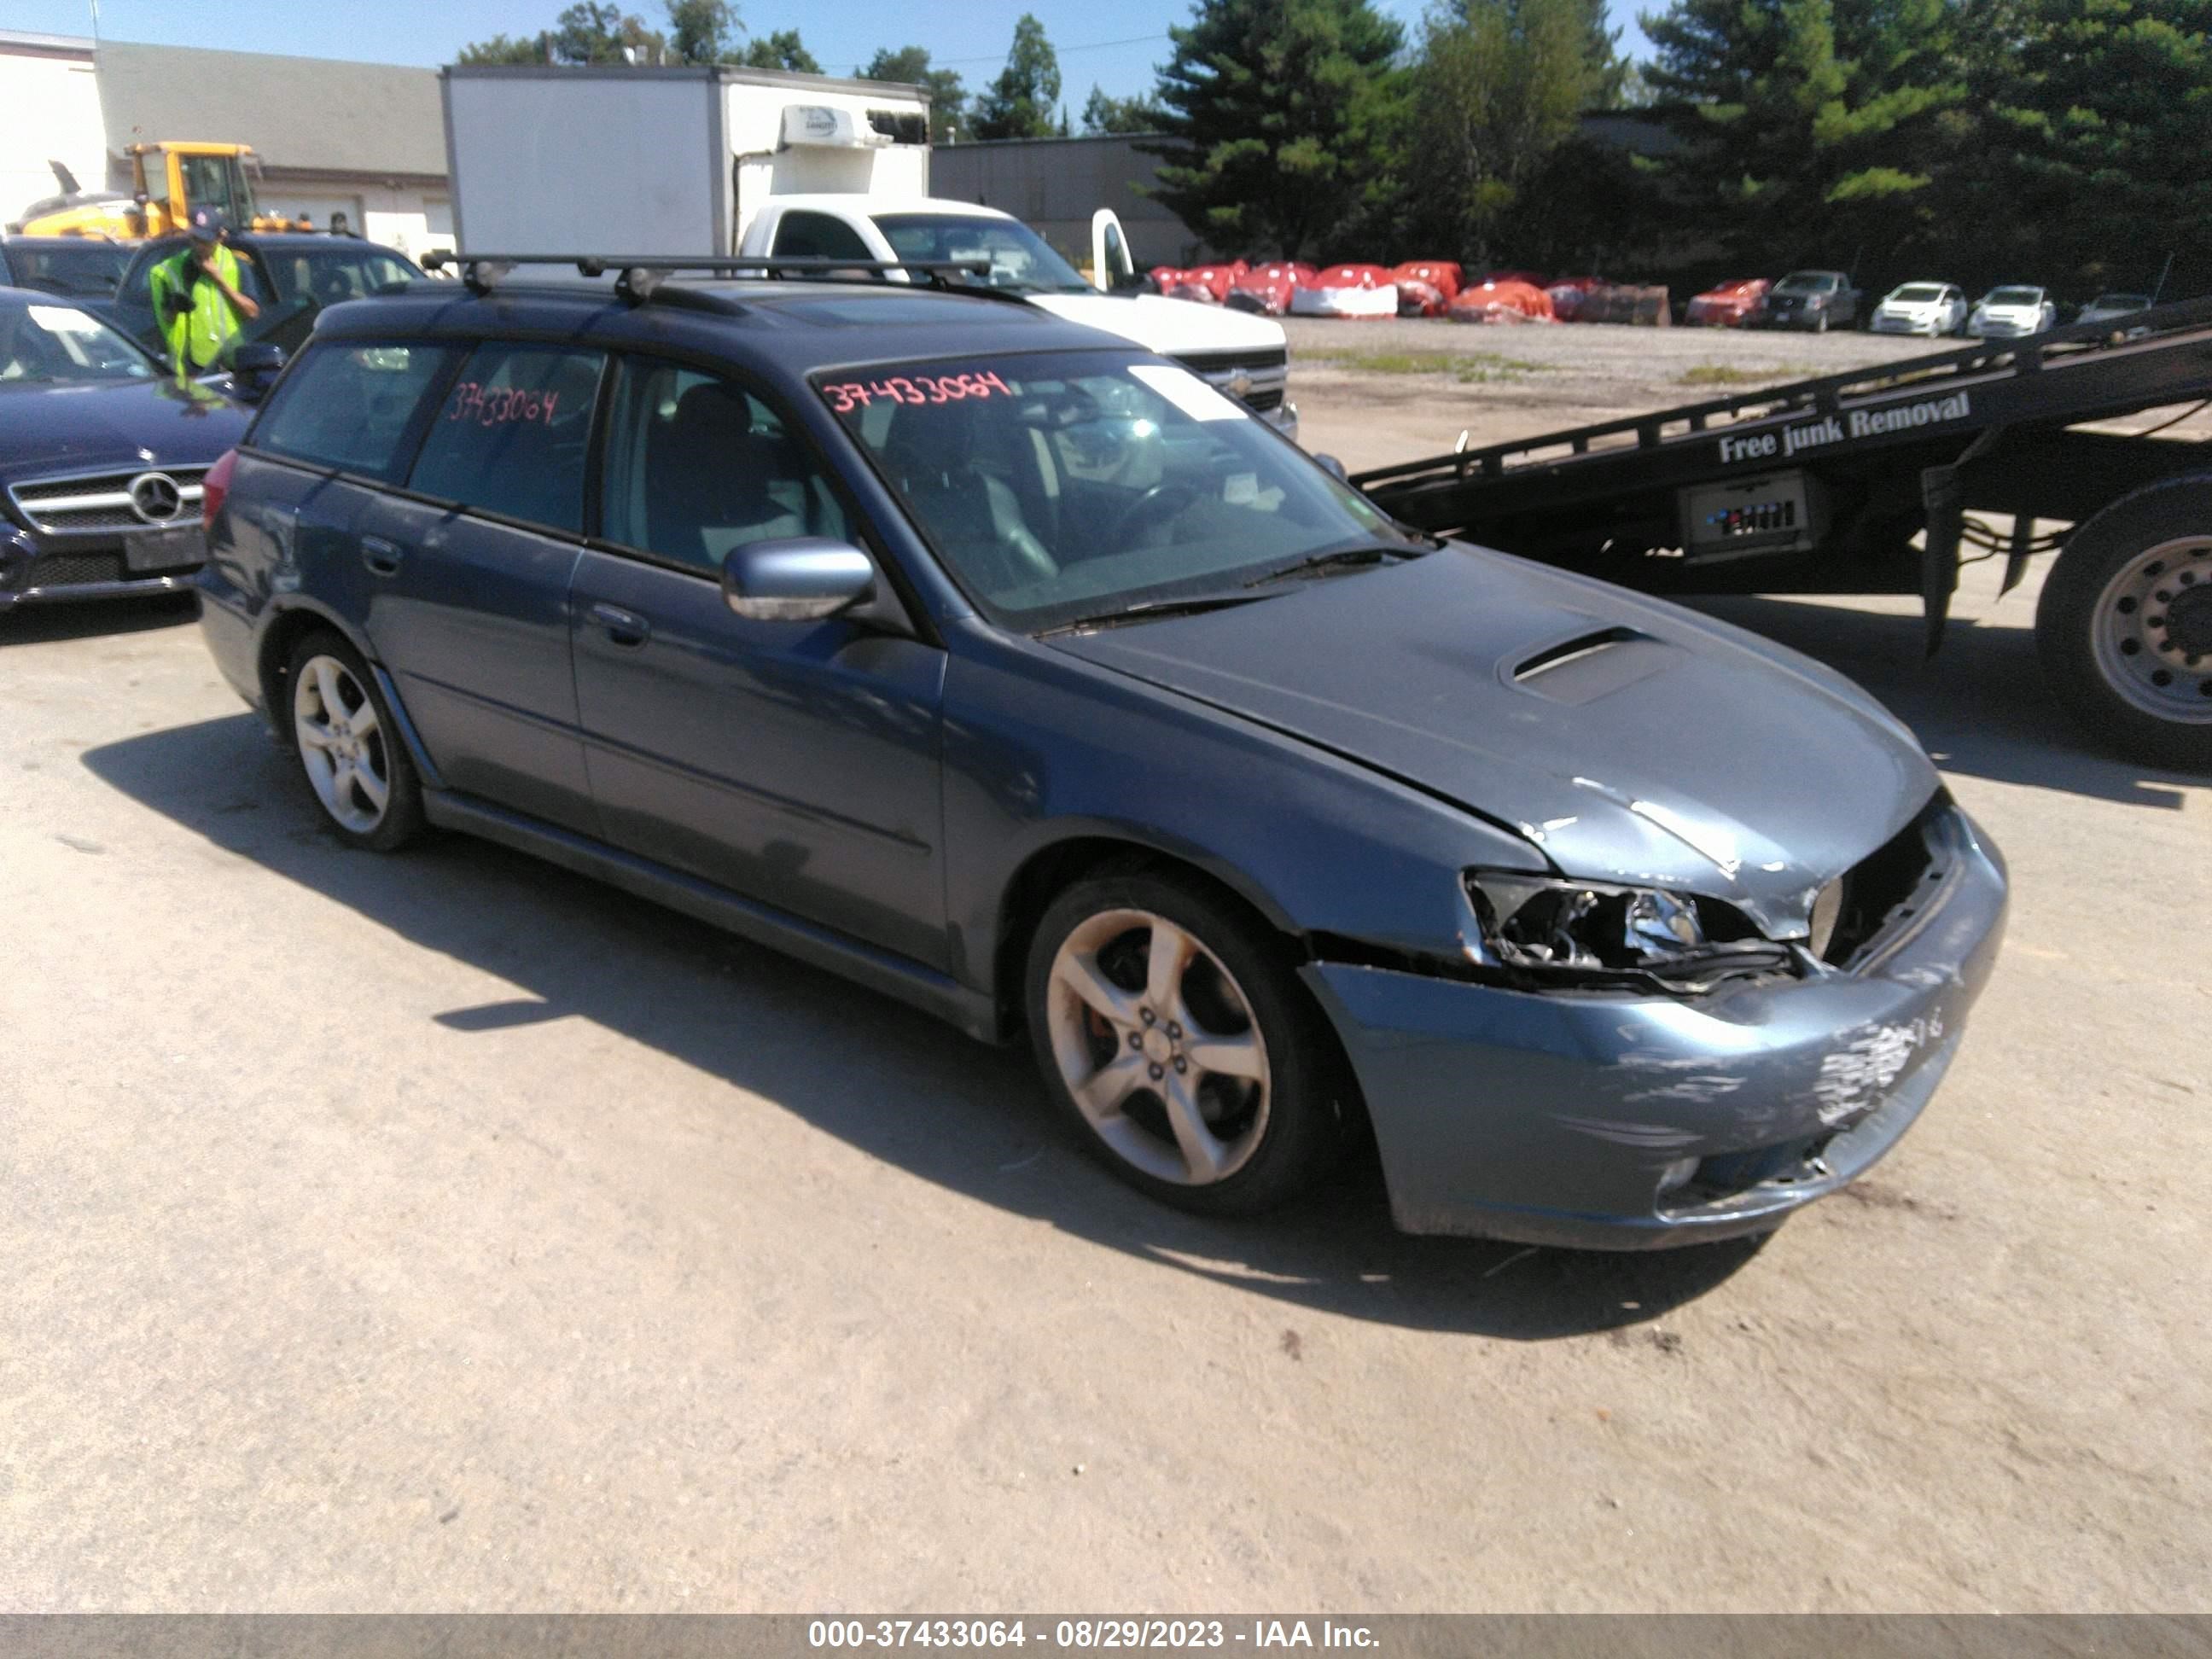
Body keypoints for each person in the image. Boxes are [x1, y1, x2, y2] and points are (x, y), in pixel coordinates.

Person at [148, 208, 260, 381]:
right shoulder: (173, 269)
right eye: (194, 239)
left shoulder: (237, 266)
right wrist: (174, 306)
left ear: (220, 237)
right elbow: (166, 320)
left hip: (230, 367)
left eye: (205, 241)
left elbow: (252, 313)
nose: (199, 246)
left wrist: (218, 279)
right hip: (189, 371)